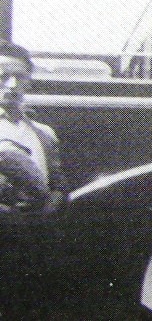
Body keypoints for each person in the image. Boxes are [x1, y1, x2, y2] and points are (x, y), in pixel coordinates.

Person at [0, 39, 65, 319]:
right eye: (3, 76)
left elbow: (60, 183)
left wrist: (53, 204)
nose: (12, 85)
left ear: (29, 83)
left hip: (36, 247)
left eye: (20, 77)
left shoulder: (44, 133)